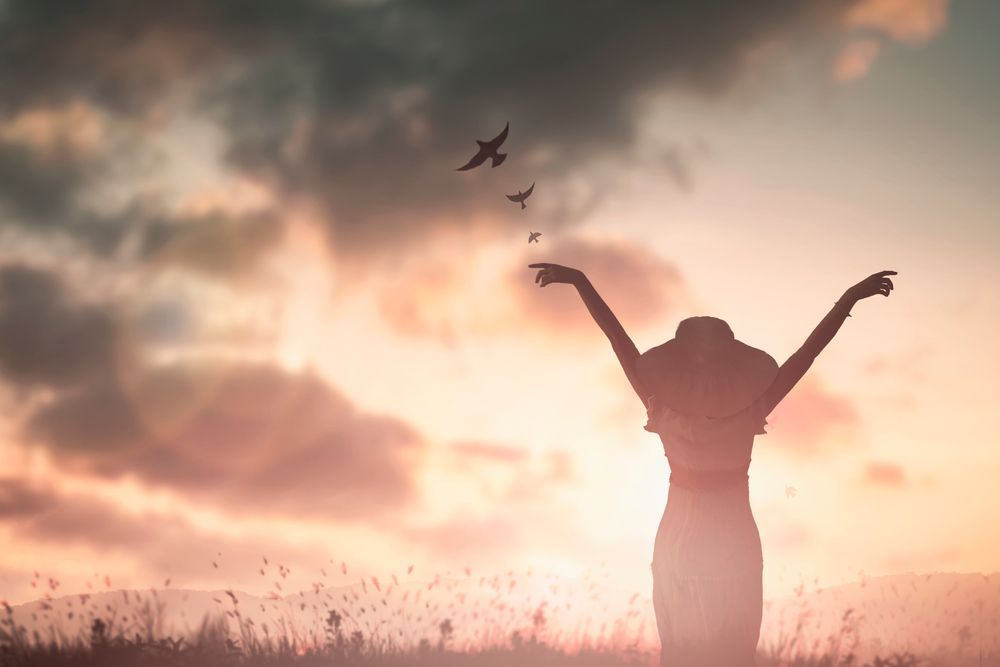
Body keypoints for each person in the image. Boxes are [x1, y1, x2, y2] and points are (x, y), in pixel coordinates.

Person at [528, 263, 896, 666]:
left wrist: (849, 299)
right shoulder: (681, 401)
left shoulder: (669, 401)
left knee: (723, 643)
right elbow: (617, 339)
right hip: (701, 529)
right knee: (693, 642)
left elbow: (806, 355)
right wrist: (581, 281)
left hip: (715, 529)